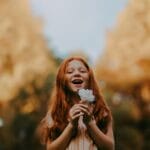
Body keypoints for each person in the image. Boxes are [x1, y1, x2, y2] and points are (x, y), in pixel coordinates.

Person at [38, 56, 114, 150]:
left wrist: (90, 123)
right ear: (62, 80)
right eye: (70, 72)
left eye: (82, 71)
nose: (77, 73)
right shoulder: (55, 113)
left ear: (89, 77)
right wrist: (71, 126)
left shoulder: (102, 111)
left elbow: (110, 148)